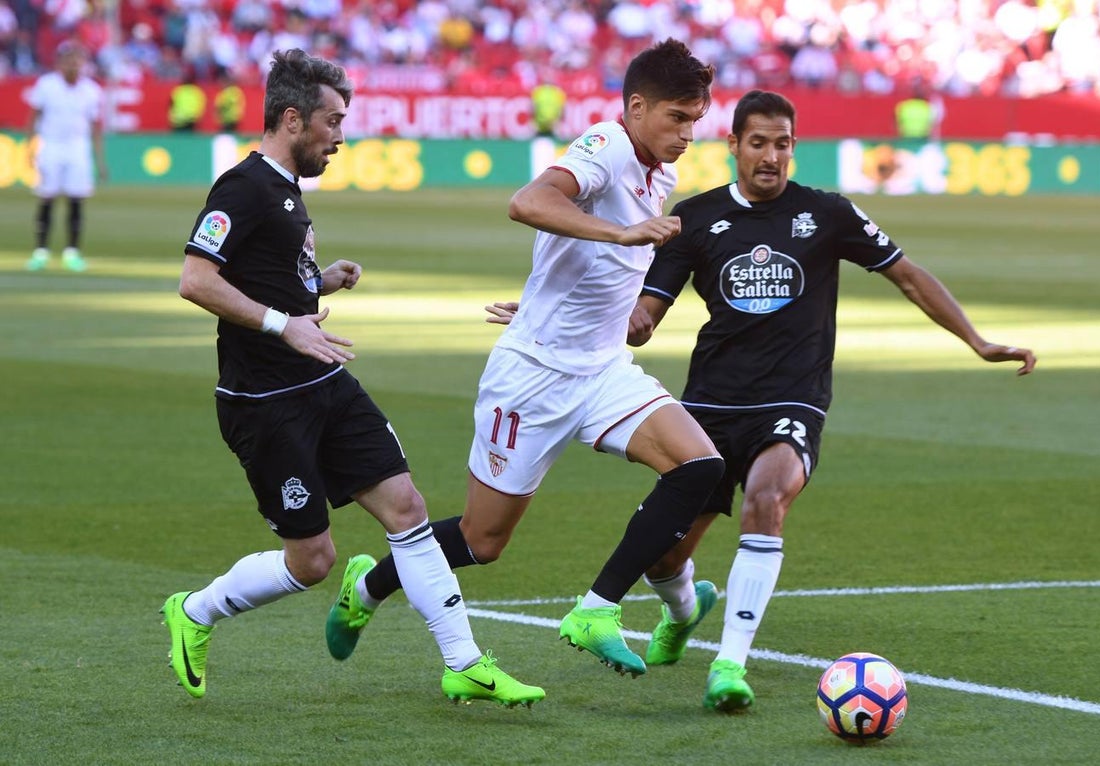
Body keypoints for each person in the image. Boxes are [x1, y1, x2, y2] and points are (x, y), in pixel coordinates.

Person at [625, 89, 1037, 712]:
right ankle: (683, 610)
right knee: (661, 559)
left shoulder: (826, 213)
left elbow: (907, 274)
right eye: (758, 143)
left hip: (794, 398)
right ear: (733, 145)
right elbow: (643, 320)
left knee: (768, 498)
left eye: (782, 144)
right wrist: (567, 318)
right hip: (709, 404)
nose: (771, 156)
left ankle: (729, 664)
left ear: (794, 147)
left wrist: (977, 341)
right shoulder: (696, 218)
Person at [326, 38, 725, 680]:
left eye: (695, 120)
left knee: (700, 465)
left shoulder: (661, 173)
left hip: (601, 369)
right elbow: (529, 203)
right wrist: (620, 233)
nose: (687, 134)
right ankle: (368, 586)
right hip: (534, 378)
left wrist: (556, 304)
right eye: (677, 118)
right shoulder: (607, 144)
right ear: (637, 107)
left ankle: (596, 610)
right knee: (482, 541)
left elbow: (595, 271)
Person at [161, 49, 544, 708]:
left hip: (323, 381)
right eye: (333, 121)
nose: (340, 136)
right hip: (265, 403)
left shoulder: (286, 190)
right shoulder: (243, 187)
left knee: (407, 508)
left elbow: (269, 276)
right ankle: (195, 611)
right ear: (292, 119)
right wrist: (285, 324)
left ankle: (464, 662)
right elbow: (195, 280)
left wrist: (317, 280)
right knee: (313, 562)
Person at [24, 41, 107, 273]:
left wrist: (100, 159)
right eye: (69, 61)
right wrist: (29, 149)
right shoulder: (46, 85)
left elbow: (95, 127)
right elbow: (33, 116)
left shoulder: (91, 90)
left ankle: (72, 253)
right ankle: (40, 252)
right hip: (51, 145)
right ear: (59, 63)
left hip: (77, 147)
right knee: (46, 197)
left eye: (77, 61)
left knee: (76, 199)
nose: (73, 66)